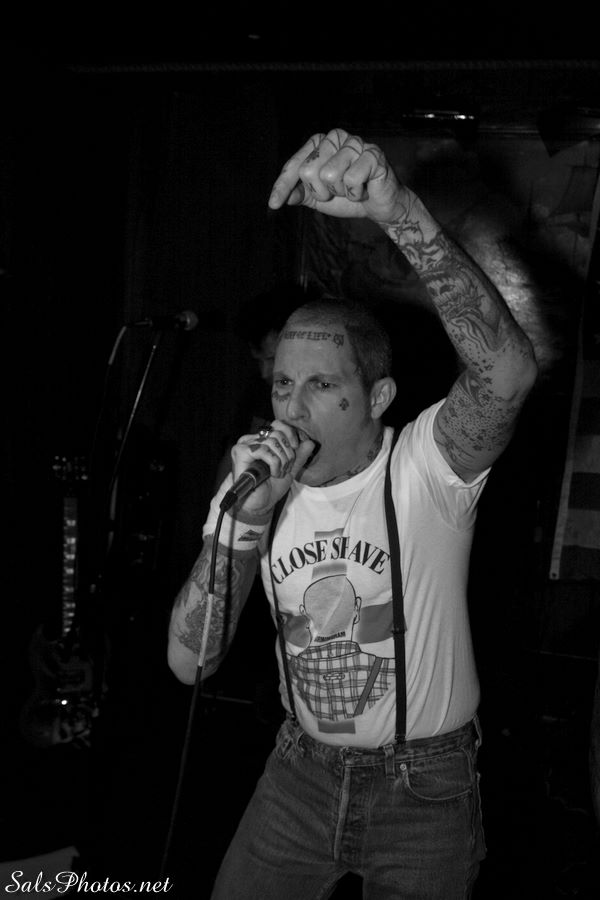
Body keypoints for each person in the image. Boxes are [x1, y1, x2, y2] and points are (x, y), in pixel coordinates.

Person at [167, 127, 538, 899]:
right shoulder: (256, 482)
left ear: (377, 397)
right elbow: (189, 663)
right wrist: (242, 526)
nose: (291, 410)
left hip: (423, 788)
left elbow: (504, 374)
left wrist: (397, 209)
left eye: (322, 386)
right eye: (282, 385)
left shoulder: (425, 466)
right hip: (298, 773)